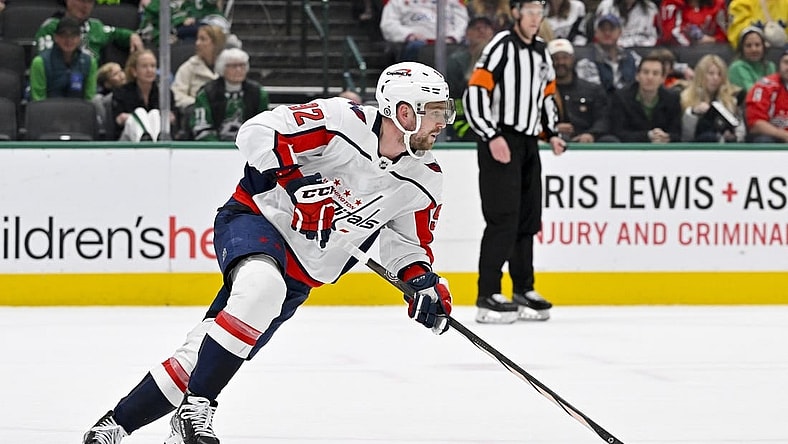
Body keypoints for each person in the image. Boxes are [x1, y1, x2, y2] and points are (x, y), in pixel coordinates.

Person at [81, 60, 456, 444]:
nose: (444, 122)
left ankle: (114, 426)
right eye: (436, 112)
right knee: (262, 289)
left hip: (302, 273)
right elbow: (258, 131)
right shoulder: (341, 121)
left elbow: (407, 246)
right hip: (258, 219)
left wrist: (423, 283)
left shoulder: (424, 178)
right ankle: (197, 410)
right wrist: (297, 185)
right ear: (403, 111)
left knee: (209, 350)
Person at [464, 0, 566, 324]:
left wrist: (551, 133)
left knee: (527, 218)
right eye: (531, 11)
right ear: (518, 13)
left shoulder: (541, 52)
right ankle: (488, 292)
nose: (536, 18)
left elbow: (546, 96)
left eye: (540, 12)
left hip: (528, 143)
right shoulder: (501, 46)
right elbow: (476, 92)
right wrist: (491, 135)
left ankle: (523, 288)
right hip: (500, 138)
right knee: (503, 217)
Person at [190, 48, 270, 141]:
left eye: (242, 65)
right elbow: (201, 127)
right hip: (214, 149)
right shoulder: (206, 93)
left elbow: (264, 127)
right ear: (222, 68)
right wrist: (219, 149)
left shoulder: (258, 93)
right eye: (233, 66)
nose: (238, 69)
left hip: (249, 148)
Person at [549, 38, 618, 143]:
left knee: (610, 141)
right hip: (555, 141)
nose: (560, 62)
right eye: (556, 58)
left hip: (588, 140)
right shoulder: (541, 91)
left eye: (565, 57)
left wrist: (591, 134)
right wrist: (553, 129)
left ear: (572, 59)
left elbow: (603, 118)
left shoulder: (593, 89)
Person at [35, 0, 144, 63]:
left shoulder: (95, 26)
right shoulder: (52, 26)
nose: (85, 6)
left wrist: (133, 36)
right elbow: (43, 60)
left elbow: (117, 33)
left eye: (90, 2)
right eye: (82, 0)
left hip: (94, 86)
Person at [609, 54, 683, 143]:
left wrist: (667, 137)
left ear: (663, 78)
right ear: (637, 76)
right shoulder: (621, 97)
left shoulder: (672, 98)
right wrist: (647, 136)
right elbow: (618, 132)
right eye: (645, 72)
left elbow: (677, 134)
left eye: (655, 73)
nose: (650, 77)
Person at [446, 16, 495, 141]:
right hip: (466, 125)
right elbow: (454, 99)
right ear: (467, 33)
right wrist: (464, 127)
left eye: (486, 28)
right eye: (476, 28)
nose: (481, 31)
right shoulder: (456, 62)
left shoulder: (503, 59)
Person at [112, 49, 176, 141]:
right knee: (140, 112)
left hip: (158, 135)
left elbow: (173, 118)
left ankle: (154, 143)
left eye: (153, 66)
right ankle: (144, 141)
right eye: (144, 66)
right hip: (127, 141)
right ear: (134, 71)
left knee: (154, 114)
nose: (149, 70)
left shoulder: (165, 93)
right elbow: (118, 120)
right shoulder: (121, 92)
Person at [29, 16, 98, 101]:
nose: (68, 40)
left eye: (73, 36)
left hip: (78, 110)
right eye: (64, 36)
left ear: (79, 38)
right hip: (48, 110)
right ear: (56, 38)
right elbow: (38, 100)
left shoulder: (90, 62)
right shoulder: (40, 62)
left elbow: (89, 98)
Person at [680, 54, 745, 142]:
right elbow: (686, 136)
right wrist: (693, 113)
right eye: (711, 74)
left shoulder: (732, 98)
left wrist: (735, 137)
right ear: (701, 75)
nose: (715, 78)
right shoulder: (685, 97)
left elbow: (740, 128)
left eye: (719, 74)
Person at [379, 0, 469, 61]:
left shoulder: (452, 2)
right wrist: (409, 35)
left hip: (448, 43)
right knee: (416, 47)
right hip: (415, 44)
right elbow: (388, 24)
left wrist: (452, 37)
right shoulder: (398, 2)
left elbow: (463, 22)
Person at [575, 14, 641, 93]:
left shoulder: (633, 57)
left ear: (620, 32)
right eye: (603, 29)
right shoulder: (586, 60)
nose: (607, 33)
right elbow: (593, 92)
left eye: (611, 29)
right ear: (596, 33)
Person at [172, 24, 226, 115]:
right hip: (196, 114)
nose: (197, 43)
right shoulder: (188, 67)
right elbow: (177, 95)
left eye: (203, 39)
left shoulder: (228, 66)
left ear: (215, 43)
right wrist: (200, 104)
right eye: (197, 39)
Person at [744, 49, 788, 143]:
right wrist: (784, 135)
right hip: (773, 137)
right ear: (779, 65)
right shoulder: (764, 86)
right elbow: (755, 124)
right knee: (764, 140)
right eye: (786, 62)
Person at [728, 26, 777, 94]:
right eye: (748, 46)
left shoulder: (770, 66)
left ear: (764, 47)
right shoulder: (737, 67)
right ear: (742, 49)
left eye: (757, 45)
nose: (753, 49)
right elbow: (753, 94)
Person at [657, 0, 728, 46]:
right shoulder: (673, 3)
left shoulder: (717, 5)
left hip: (713, 50)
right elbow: (668, 35)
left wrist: (713, 39)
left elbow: (725, 35)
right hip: (681, 51)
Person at [594, 0, 659, 48]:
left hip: (642, 50)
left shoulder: (650, 8)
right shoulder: (606, 6)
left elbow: (653, 38)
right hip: (612, 49)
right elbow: (598, 33)